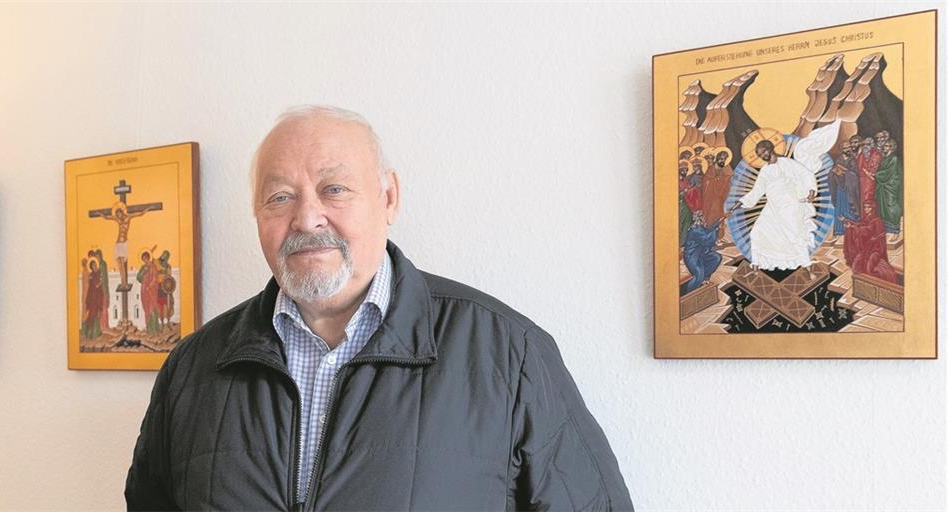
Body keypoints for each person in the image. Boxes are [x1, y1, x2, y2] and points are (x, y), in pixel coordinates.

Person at [126, 106, 632, 510]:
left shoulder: (507, 354)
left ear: (389, 197)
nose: (308, 217)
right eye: (279, 197)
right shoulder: (192, 367)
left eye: (334, 189)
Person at [734, 121, 839, 273]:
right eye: (759, 154)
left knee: (794, 233)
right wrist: (738, 204)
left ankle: (805, 264)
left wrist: (810, 190)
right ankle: (757, 265)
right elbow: (756, 191)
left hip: (790, 203)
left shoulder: (786, 163)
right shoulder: (764, 171)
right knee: (757, 231)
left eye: (763, 151)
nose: (762, 155)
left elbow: (805, 174)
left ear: (770, 149)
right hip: (772, 206)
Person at [875, 139, 902, 239]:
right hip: (883, 186)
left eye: (886, 146)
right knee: (883, 208)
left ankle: (896, 231)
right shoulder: (885, 158)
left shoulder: (893, 158)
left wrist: (876, 175)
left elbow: (888, 172)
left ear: (891, 147)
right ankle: (888, 229)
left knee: (891, 207)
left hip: (890, 186)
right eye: (884, 146)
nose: (884, 147)